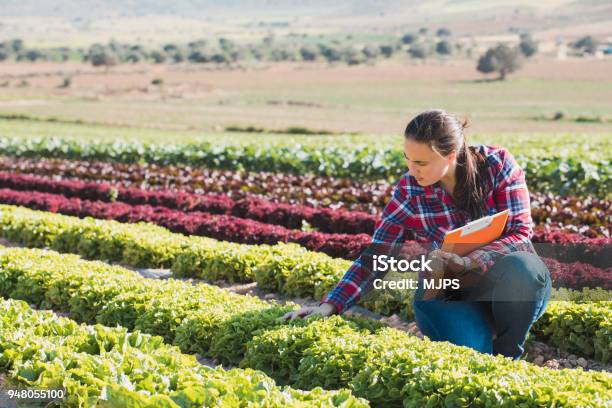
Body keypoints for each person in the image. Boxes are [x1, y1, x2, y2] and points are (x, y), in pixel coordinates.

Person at [283, 109, 551, 359]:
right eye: (408, 160)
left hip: (508, 281)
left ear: (450, 155)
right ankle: (479, 335)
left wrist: (471, 261)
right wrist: (329, 306)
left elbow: (519, 234)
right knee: (474, 354)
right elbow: (377, 257)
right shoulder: (410, 191)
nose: (412, 170)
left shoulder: (497, 166)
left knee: (524, 267)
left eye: (421, 162)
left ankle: (508, 353)